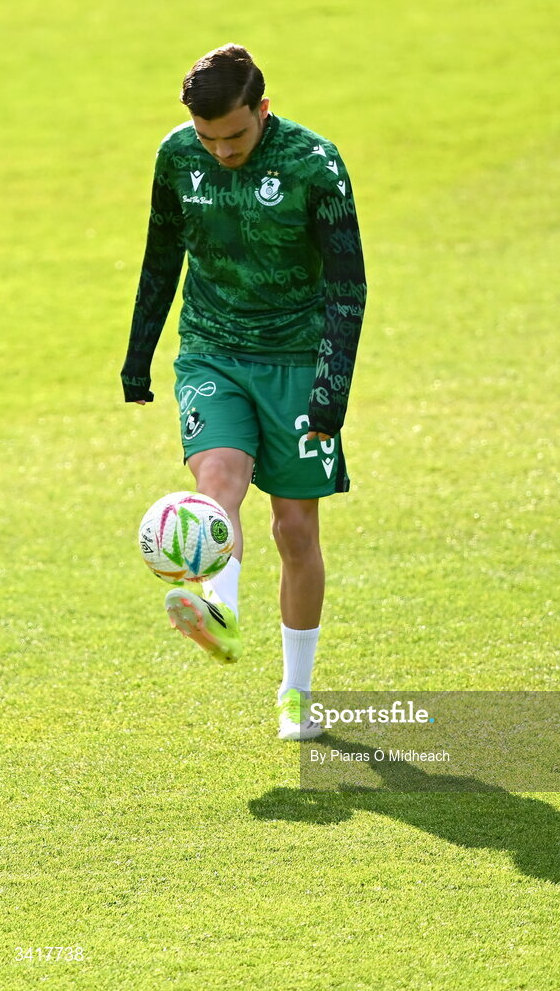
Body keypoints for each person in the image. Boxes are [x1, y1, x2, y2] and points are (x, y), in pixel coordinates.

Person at [121, 44, 367, 741]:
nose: (221, 150)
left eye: (234, 135)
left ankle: (296, 692)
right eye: (209, 138)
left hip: (296, 358)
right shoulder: (177, 156)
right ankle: (218, 607)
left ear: (263, 110)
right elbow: (162, 254)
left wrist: (330, 394)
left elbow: (349, 284)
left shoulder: (312, 165)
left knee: (294, 530)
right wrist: (139, 357)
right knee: (220, 478)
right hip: (213, 348)